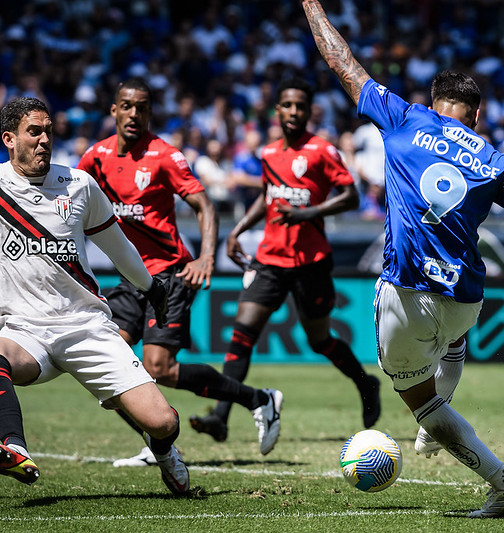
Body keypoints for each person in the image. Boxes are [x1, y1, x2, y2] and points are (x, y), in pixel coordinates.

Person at [301, 0, 504, 518]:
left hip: (407, 293)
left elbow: (342, 61)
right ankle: (441, 391)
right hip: (467, 299)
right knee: (449, 336)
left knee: (420, 396)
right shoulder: (496, 160)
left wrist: (312, 5)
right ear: (478, 113)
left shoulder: (401, 117)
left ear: (435, 102)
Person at [76, 78, 280, 466]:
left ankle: (260, 400)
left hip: (168, 275)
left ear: (150, 113)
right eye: (127, 106)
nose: (135, 114)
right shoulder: (96, 157)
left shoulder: (165, 155)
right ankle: (160, 445)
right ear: (114, 110)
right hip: (128, 277)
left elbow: (204, 205)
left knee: (160, 368)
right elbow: (68, 196)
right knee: (106, 368)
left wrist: (206, 258)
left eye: (143, 107)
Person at [0, 96, 188, 494]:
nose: (44, 140)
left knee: (164, 422)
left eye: (48, 131)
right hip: (24, 332)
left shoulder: (80, 184)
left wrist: (152, 288)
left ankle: (162, 449)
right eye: (34, 131)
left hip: (87, 327)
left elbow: (119, 248)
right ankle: (11, 445)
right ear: (9, 139)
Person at [189, 77, 382, 443]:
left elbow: (351, 197)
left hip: (310, 262)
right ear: (277, 110)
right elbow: (268, 196)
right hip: (270, 260)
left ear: (309, 111)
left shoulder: (322, 151)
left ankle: (366, 383)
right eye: (287, 105)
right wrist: (237, 229)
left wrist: (309, 214)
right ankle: (220, 416)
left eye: (300, 106)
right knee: (242, 335)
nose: (293, 111)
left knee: (320, 340)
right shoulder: (270, 153)